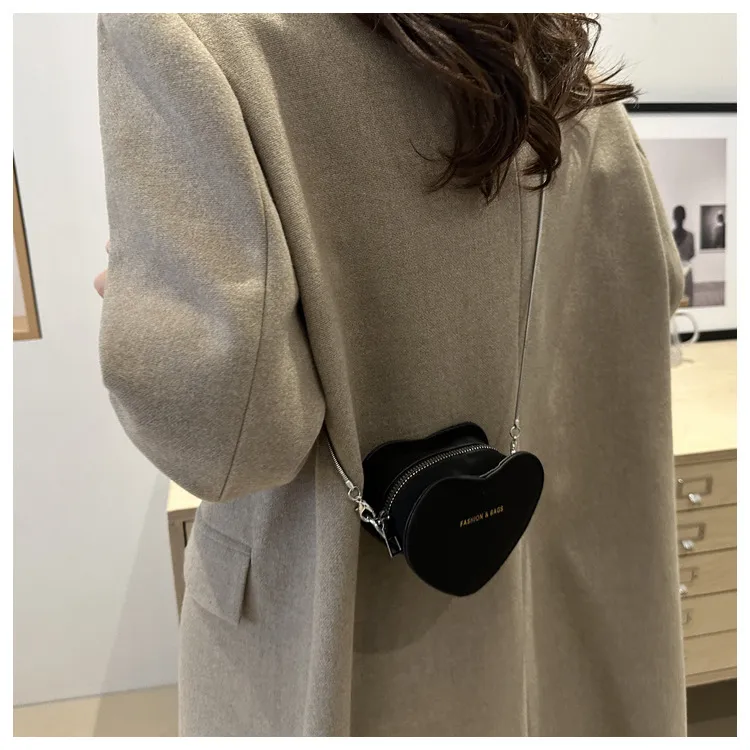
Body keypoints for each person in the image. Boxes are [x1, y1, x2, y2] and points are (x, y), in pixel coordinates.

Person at [95, 14, 686, 737]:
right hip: (565, 620)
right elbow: (655, 281)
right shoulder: (555, 54)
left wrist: (143, 294)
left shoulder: (185, 34)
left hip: (349, 643)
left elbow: (225, 436)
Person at [672, 205, 695, 306]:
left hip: (677, 271)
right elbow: (692, 253)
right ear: (685, 217)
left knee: (677, 301)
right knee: (685, 301)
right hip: (683, 271)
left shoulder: (669, 235)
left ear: (673, 217)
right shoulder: (690, 236)